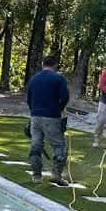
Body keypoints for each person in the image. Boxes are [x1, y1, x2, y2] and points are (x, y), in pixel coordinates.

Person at [26, 55, 70, 186]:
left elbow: (29, 100)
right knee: (59, 145)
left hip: (35, 117)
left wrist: (34, 112)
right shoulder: (58, 78)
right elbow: (64, 97)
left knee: (36, 145)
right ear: (55, 65)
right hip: (52, 116)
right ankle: (56, 175)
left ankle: (36, 176)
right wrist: (59, 110)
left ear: (42, 64)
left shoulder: (33, 79)